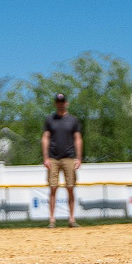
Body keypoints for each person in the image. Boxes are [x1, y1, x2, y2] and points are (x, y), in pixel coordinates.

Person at [41, 93, 83, 228]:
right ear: (55, 103)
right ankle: (52, 220)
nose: (60, 104)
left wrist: (79, 158)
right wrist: (46, 157)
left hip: (69, 157)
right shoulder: (50, 120)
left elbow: (77, 139)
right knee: (53, 188)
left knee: (70, 187)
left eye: (62, 101)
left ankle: (71, 219)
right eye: (58, 101)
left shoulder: (73, 120)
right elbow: (45, 138)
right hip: (53, 158)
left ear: (66, 103)